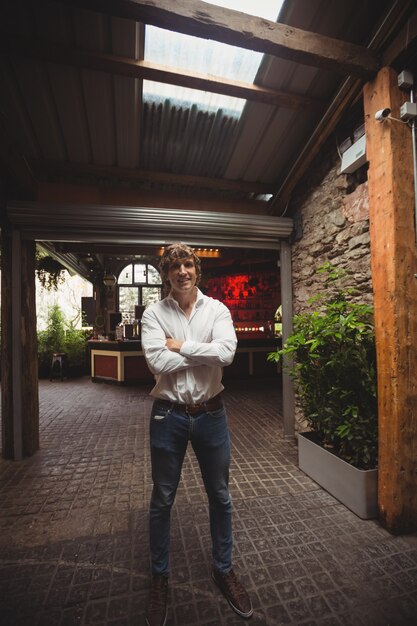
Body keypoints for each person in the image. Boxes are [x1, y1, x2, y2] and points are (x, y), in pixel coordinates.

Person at [141, 243, 253, 626]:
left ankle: (224, 570)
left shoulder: (217, 309)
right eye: (174, 266)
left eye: (188, 264)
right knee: (162, 499)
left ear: (196, 270)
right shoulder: (154, 312)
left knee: (220, 496)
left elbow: (227, 353)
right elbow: (156, 360)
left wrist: (182, 346)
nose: (182, 271)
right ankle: (160, 578)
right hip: (167, 416)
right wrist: (202, 350)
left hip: (211, 415)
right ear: (166, 273)